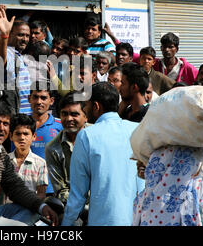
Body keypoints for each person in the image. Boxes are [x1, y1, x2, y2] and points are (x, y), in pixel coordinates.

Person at [62, 82, 145, 226]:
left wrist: (66, 224)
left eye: (86, 106)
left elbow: (77, 195)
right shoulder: (136, 129)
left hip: (102, 220)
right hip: (136, 219)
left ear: (96, 106)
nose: (85, 110)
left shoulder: (86, 136)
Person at [45, 92, 90, 206]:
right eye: (64, 114)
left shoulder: (99, 136)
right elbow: (61, 190)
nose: (69, 118)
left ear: (85, 117)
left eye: (74, 114)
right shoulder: (53, 148)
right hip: (74, 207)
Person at [0, 6, 32, 115]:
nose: (25, 39)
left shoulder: (19, 56)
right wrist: (4, 35)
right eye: (20, 35)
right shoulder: (9, 53)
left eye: (27, 36)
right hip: (15, 117)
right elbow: (0, 60)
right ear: (10, 36)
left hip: (26, 117)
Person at [27, 83, 63, 196]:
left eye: (43, 98)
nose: (39, 102)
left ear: (51, 101)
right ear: (29, 99)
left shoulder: (60, 125)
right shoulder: (21, 125)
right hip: (26, 188)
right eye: (35, 97)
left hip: (53, 188)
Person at [8, 114, 48, 201]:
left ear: (34, 136)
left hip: (30, 210)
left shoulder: (40, 163)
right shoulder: (5, 160)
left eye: (26, 134)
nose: (22, 138)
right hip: (7, 211)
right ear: (11, 136)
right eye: (18, 134)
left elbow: (41, 194)